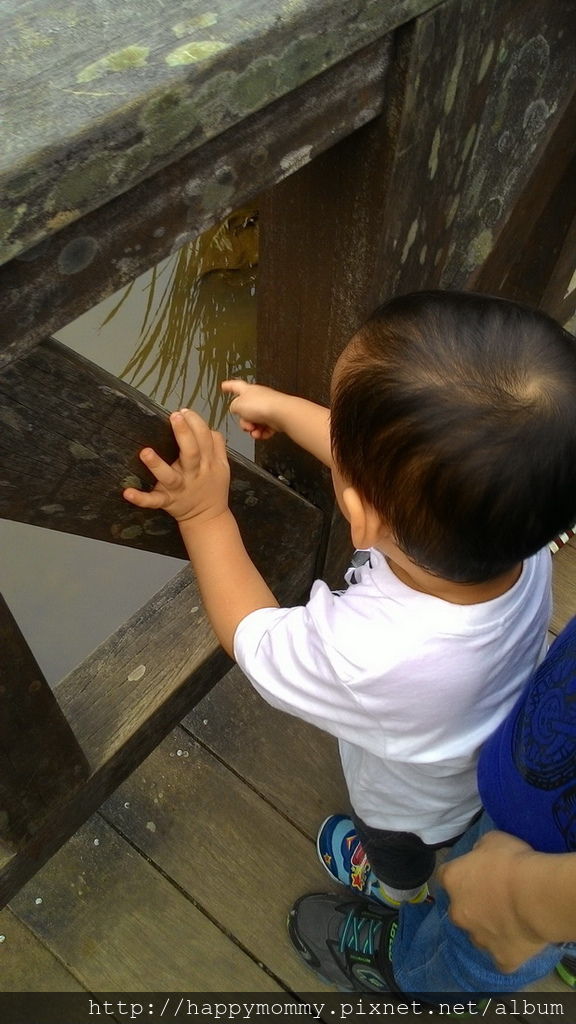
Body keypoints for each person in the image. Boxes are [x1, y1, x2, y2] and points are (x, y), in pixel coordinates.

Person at [123, 290, 576, 913]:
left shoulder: (373, 654)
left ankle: (400, 893)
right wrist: (285, 408)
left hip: (414, 811)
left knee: (399, 853)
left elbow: (253, 636)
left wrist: (204, 514)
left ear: (360, 514)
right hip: (487, 753)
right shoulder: (516, 538)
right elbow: (393, 468)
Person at [287, 613, 576, 993]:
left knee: (470, 947)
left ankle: (413, 970)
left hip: (543, 875)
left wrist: (528, 897)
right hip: (540, 792)